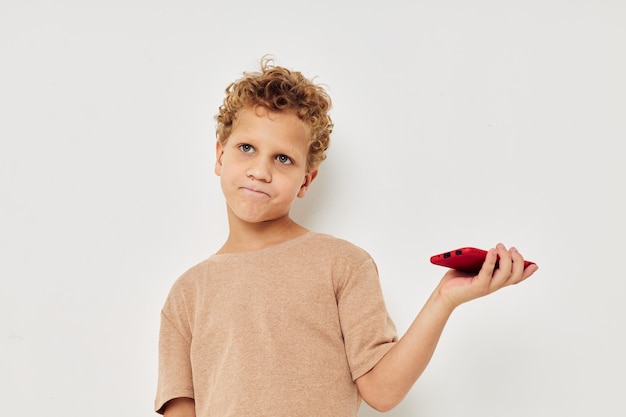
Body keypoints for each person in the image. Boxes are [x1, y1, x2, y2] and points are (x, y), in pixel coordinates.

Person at [154, 57, 539, 417]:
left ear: (306, 179)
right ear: (220, 156)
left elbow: (382, 392)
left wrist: (444, 299)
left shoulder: (342, 264)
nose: (260, 170)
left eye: (283, 158)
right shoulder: (187, 294)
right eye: (246, 148)